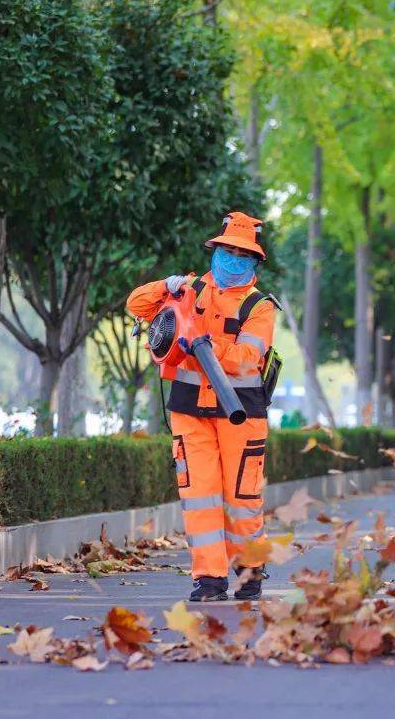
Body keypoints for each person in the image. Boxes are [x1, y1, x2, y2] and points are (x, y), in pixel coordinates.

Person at [127, 212, 277, 602]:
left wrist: (205, 341)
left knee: (241, 500)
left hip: (240, 414)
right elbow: (136, 305)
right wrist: (166, 286)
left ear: (255, 261)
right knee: (200, 498)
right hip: (190, 411)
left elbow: (247, 357)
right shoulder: (189, 290)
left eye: (241, 254)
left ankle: (249, 573)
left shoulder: (259, 307)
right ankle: (208, 579)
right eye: (226, 251)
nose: (232, 260)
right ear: (214, 252)